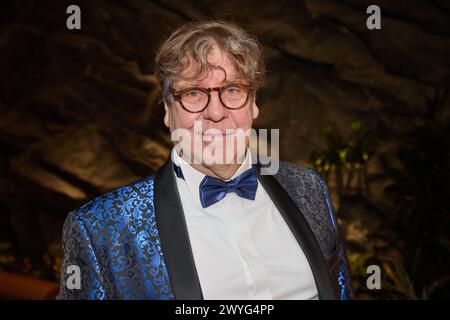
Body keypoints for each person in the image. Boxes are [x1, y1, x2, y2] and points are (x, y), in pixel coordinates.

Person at [57, 20, 352, 300]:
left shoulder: (308, 189)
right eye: (194, 93)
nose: (215, 112)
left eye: (233, 90)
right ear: (167, 110)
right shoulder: (101, 229)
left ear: (254, 103)